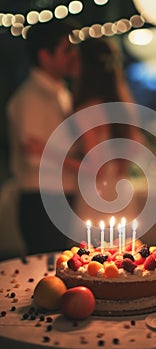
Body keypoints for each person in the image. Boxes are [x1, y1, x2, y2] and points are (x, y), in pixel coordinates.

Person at [7, 19, 81, 255]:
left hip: (59, 197)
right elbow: (33, 159)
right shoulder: (30, 98)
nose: (73, 55)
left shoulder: (61, 92)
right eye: (66, 50)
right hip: (41, 201)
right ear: (45, 56)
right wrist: (81, 165)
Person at [72, 37, 144, 230]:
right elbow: (136, 148)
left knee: (93, 255)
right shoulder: (123, 106)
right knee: (124, 254)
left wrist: (49, 153)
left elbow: (96, 167)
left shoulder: (88, 110)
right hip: (121, 189)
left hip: (96, 194)